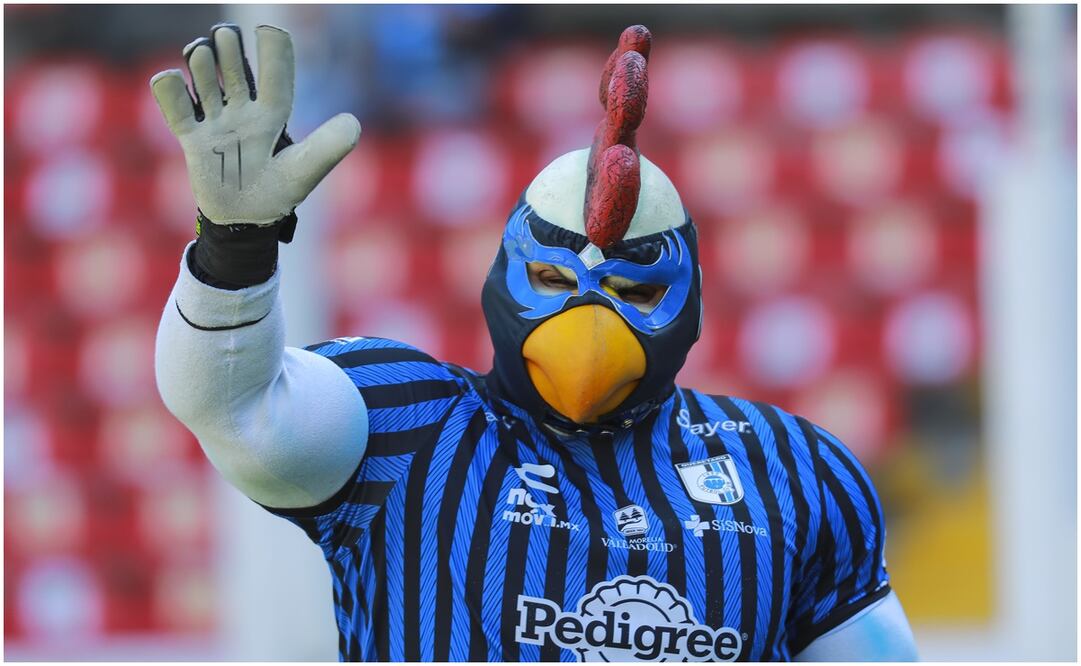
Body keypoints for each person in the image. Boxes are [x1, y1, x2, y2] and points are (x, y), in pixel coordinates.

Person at [152, 22, 919, 662]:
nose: (588, 327)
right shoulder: (406, 421)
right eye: (554, 282)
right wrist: (233, 251)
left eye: (633, 292)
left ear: (686, 299)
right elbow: (236, 406)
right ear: (504, 274)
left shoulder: (790, 469)